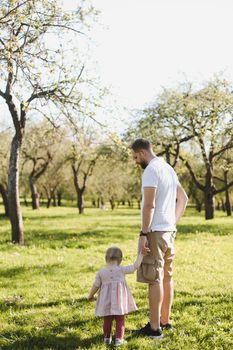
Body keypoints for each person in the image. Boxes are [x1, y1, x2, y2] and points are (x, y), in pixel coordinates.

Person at [131, 138, 188, 339]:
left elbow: (149, 205)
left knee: (154, 279)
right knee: (166, 276)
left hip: (155, 231)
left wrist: (143, 234)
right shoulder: (168, 168)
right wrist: (173, 223)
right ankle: (165, 320)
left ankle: (154, 329)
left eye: (136, 157)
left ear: (143, 153)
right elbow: (183, 198)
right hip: (169, 232)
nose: (136, 161)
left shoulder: (151, 171)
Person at [87, 246, 148, 346]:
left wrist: (90, 296)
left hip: (106, 301)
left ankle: (107, 338)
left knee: (107, 319)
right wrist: (141, 254)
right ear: (120, 259)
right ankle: (119, 339)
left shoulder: (101, 272)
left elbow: (95, 286)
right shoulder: (121, 270)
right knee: (120, 319)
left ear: (106, 258)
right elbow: (135, 266)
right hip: (120, 301)